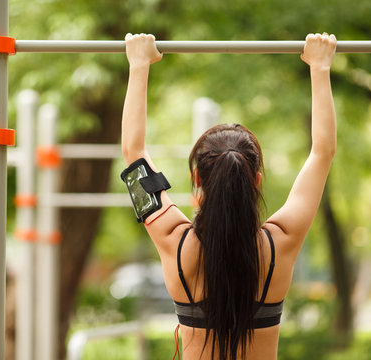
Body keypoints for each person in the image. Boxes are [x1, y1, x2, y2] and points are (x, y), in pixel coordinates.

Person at [120, 32, 337, 360]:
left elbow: (133, 152)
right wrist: (320, 69)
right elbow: (322, 152)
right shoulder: (279, 244)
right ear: (257, 181)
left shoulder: (175, 243)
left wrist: (139, 64)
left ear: (197, 179)